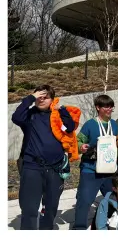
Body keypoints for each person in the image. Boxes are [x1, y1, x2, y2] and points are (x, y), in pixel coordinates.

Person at [11, 84, 77, 230]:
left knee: (50, 208)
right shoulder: (29, 116)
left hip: (55, 168)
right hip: (32, 167)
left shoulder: (58, 115)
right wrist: (30, 99)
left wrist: (62, 110)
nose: (41, 99)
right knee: (29, 209)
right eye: (38, 97)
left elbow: (70, 127)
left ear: (52, 99)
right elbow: (16, 117)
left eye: (45, 97)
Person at [73, 94, 118, 230]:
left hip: (109, 170)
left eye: (111, 106)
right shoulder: (90, 125)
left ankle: (110, 224)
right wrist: (81, 147)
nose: (109, 109)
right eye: (106, 106)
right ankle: (79, 228)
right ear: (98, 107)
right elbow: (78, 141)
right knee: (84, 201)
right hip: (90, 169)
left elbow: (117, 138)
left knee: (114, 199)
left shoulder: (113, 124)